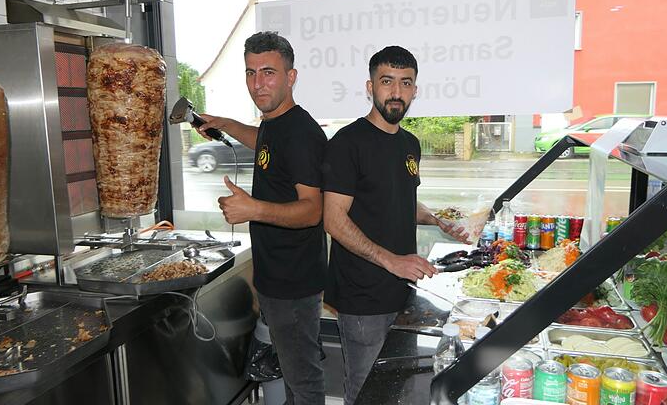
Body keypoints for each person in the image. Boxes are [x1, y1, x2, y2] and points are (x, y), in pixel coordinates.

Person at [321, 45, 469, 405]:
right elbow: (333, 218)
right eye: (387, 81)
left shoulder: (409, 144)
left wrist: (436, 219)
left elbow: (398, 200)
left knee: (397, 385)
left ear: (415, 90)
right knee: (367, 391)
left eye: (406, 83)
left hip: (403, 290)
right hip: (363, 296)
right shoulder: (347, 143)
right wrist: (393, 260)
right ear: (370, 87)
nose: (397, 92)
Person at [197, 31, 327, 405]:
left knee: (303, 380)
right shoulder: (276, 122)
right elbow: (264, 142)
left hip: (295, 281)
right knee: (289, 371)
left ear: (291, 76)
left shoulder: (302, 133)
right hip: (277, 277)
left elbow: (312, 210)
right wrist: (225, 123)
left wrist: (253, 208)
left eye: (269, 72)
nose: (258, 83)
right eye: (251, 73)